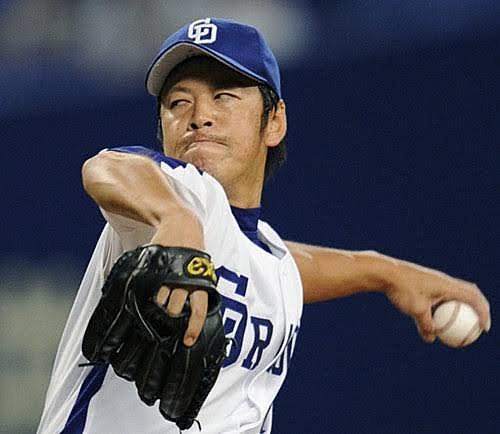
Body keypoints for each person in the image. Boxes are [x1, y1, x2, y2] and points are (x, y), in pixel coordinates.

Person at [37, 17, 490, 434]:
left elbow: (279, 267)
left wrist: (385, 272)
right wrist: (174, 219)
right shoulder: (177, 196)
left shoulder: (265, 254)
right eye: (178, 102)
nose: (199, 115)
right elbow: (109, 166)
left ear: (274, 122)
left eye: (224, 96)